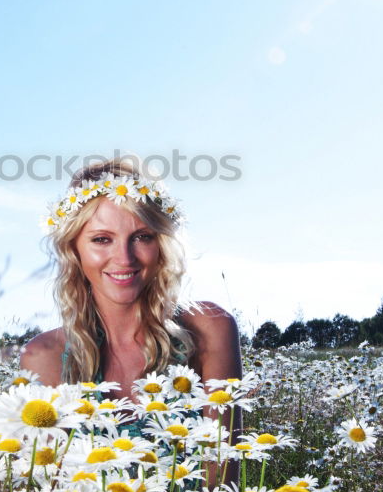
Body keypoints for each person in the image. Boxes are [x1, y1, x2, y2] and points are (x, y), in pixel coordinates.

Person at [20, 157, 243, 406]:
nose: (124, 259)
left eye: (142, 237)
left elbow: (225, 445)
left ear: (160, 244)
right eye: (102, 239)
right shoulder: (42, 356)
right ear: (74, 249)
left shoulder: (209, 328)